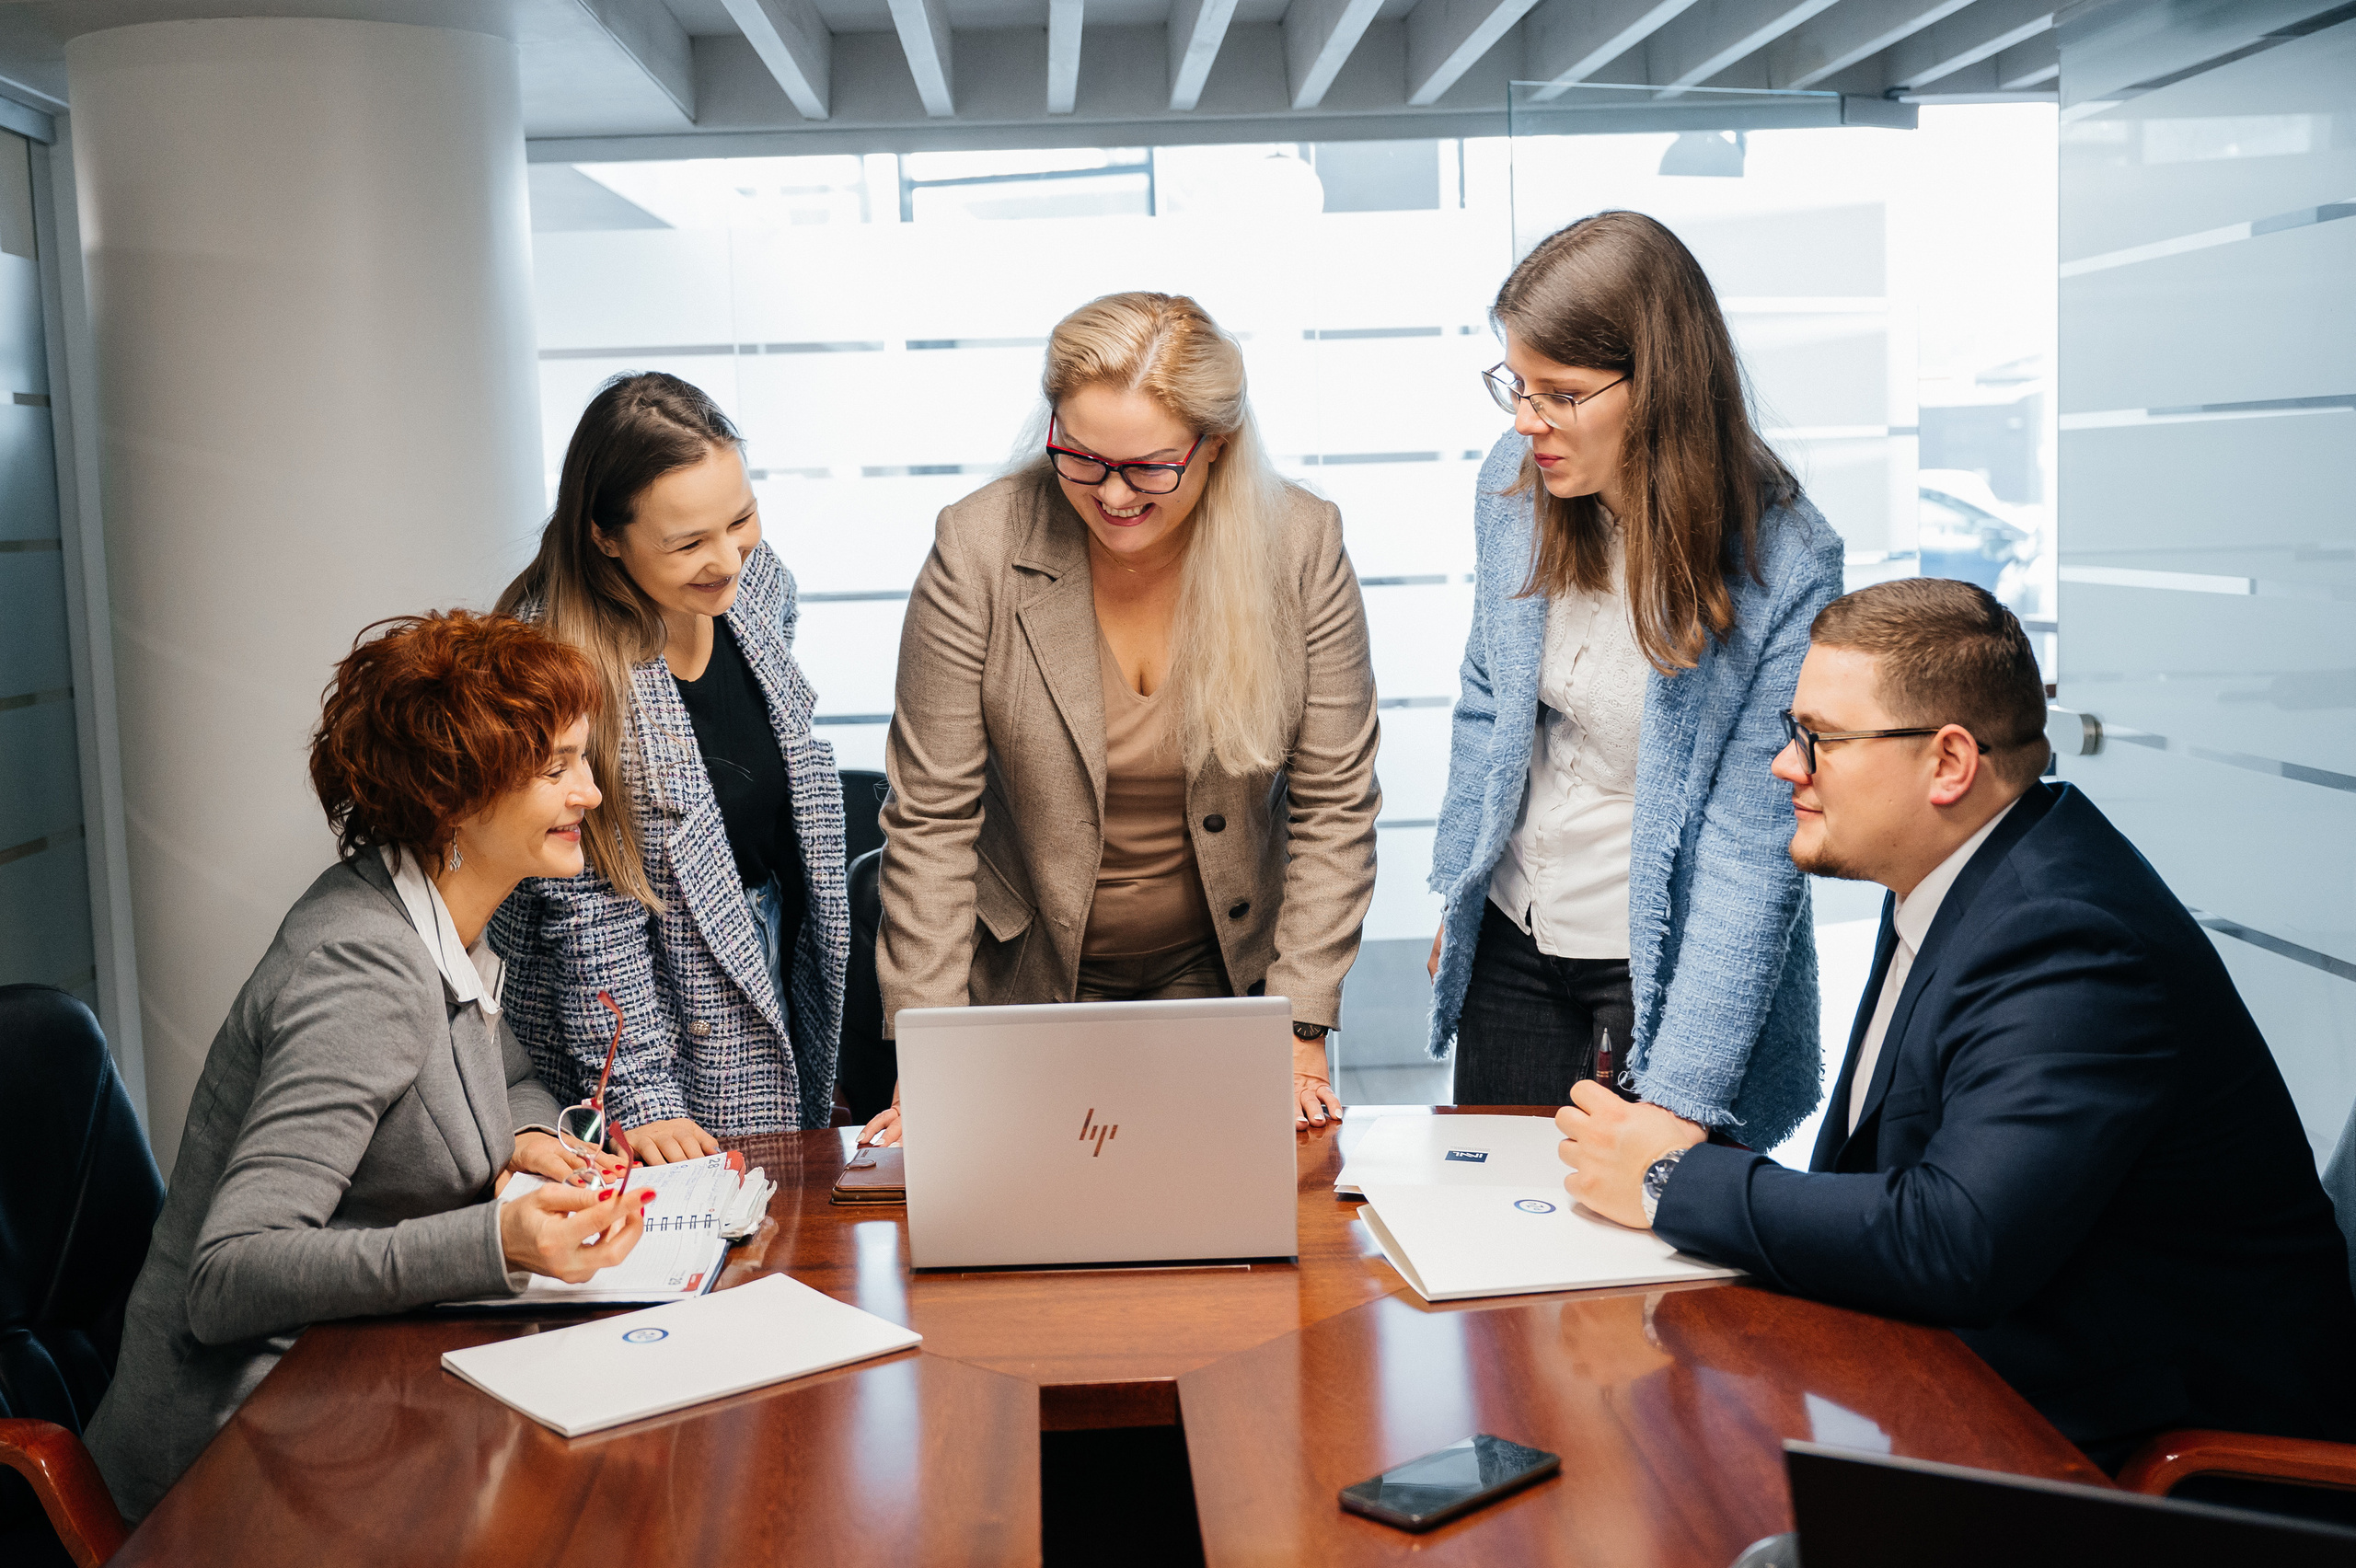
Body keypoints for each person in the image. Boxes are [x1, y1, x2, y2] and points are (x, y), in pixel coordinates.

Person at [1557, 578, 2356, 1470]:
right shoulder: (1962, 873)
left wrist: (1670, 1180)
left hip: (2158, 1463)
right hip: (1997, 1385)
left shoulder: (2066, 935)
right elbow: (1889, 1182)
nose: (1786, 765)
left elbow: (1953, 1240)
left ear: (1948, 763)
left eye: (1820, 739)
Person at [85, 612, 648, 1521]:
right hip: (238, 1459)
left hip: (359, 1392)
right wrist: (495, 1243)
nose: (589, 790)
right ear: (453, 797)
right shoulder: (364, 968)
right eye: (556, 769)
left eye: (583, 759)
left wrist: (531, 1135)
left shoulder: (436, 911)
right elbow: (228, 1275)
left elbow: (505, 1076)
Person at [860, 291, 1380, 1146]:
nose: (1110, 492)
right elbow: (931, 822)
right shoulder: (978, 546)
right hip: (1023, 972)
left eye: (1148, 468)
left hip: (1223, 971)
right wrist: (933, 1061)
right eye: (1081, 456)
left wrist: (1299, 1029)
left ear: (1217, 446)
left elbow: (1334, 805)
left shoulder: (1300, 544)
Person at [1428, 210, 1842, 1150]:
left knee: (1634, 1222)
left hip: (1661, 962)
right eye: (1515, 385)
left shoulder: (1783, 562)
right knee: (1494, 1203)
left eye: (1560, 394)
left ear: (1658, 386)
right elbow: (1488, 701)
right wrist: (1463, 887)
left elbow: (1752, 845)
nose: (1525, 421)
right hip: (1514, 930)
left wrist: (1682, 1098)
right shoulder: (1515, 485)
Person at [493, 372, 849, 1160]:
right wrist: (640, 1094)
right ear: (605, 536)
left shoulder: (756, 585)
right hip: (654, 991)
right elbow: (587, 917)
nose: (727, 559)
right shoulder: (558, 665)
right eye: (688, 543)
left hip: (767, 931)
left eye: (741, 519)